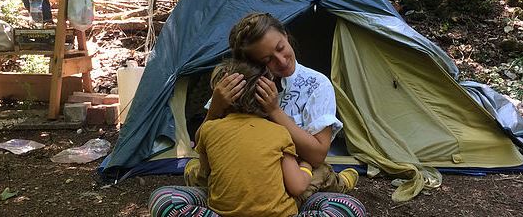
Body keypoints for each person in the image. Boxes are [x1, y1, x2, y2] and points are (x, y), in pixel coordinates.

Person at [148, 60, 366, 217]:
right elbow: (298, 187)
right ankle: (337, 186)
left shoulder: (209, 129)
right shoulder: (279, 133)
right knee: (348, 206)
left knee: (164, 197)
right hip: (281, 209)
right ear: (268, 98)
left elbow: (206, 173)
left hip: (223, 211)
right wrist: (306, 164)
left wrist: (214, 110)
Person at [188, 12, 359, 203]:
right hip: (249, 166)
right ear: (252, 63)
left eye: (281, 48)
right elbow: (203, 141)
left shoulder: (317, 84)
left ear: (285, 35)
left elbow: (317, 155)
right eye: (267, 59)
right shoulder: (239, 84)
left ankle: (340, 181)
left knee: (316, 175)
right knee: (204, 169)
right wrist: (215, 109)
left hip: (294, 168)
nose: (282, 61)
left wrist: (274, 111)